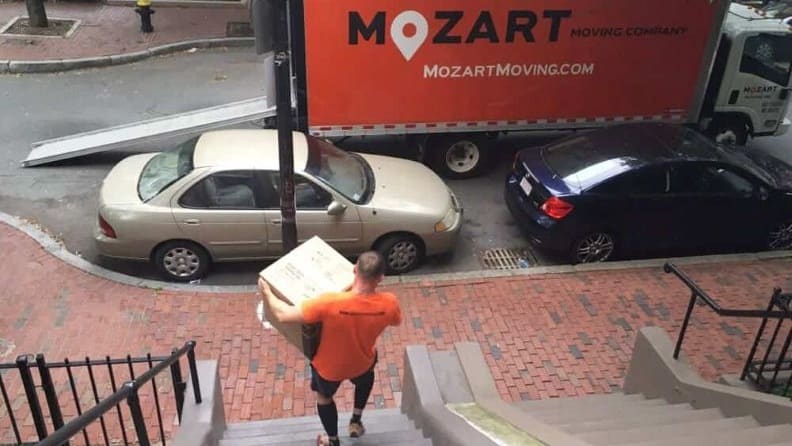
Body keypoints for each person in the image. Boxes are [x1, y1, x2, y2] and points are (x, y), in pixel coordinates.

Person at [258, 251, 402, 446]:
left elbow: (283, 314)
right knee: (366, 379)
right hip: (362, 361)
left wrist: (266, 291)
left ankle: (333, 441)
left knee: (324, 397)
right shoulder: (390, 303)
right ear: (381, 278)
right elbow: (396, 321)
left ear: (354, 270)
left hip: (329, 368)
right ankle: (356, 421)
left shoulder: (329, 303)